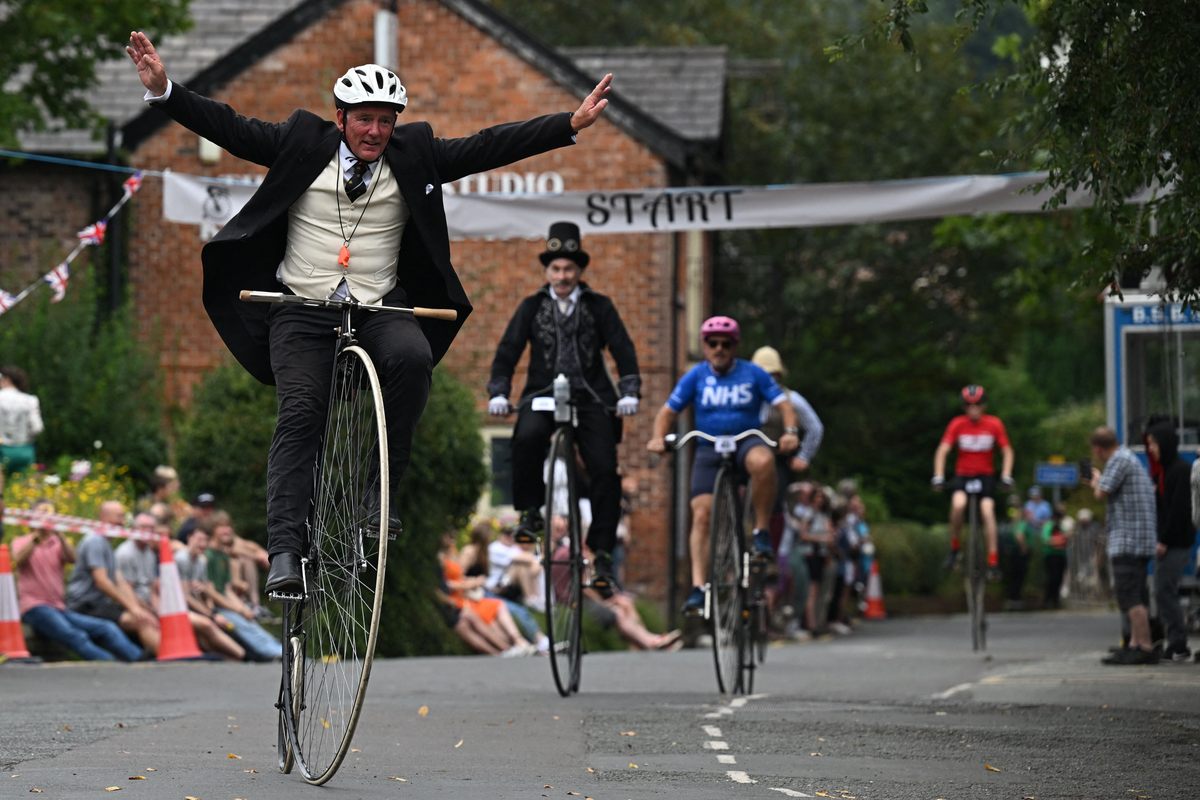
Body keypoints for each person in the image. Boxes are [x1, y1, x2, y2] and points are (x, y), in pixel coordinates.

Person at [125, 32, 613, 595]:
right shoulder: (300, 141)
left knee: (412, 358)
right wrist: (165, 90)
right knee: (302, 413)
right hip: (300, 309)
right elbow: (230, 127)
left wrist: (567, 125)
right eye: (364, 119)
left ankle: (375, 500)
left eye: (386, 120)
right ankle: (285, 551)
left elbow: (488, 145)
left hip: (379, 308)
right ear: (340, 118)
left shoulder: (416, 153)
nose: (375, 131)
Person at [486, 221, 640, 597]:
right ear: (547, 271)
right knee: (526, 437)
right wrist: (499, 390)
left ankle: (602, 552)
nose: (562, 275)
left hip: (591, 396)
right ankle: (530, 513)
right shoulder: (532, 306)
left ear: (579, 271)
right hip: (542, 390)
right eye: (556, 268)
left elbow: (623, 349)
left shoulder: (599, 307)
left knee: (604, 467)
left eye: (569, 268)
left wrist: (629, 390)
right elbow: (508, 351)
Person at [646, 316, 800, 613]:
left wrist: (791, 434)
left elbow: (784, 405)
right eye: (712, 343)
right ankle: (698, 587)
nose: (719, 349)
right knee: (701, 514)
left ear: (735, 346)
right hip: (709, 446)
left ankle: (761, 531)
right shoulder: (695, 377)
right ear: (704, 346)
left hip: (745, 441)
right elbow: (667, 411)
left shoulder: (753, 373)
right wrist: (657, 438)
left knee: (763, 460)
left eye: (725, 344)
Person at [12, 500, 143, 662]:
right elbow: (17, 560)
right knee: (73, 634)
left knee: (106, 628)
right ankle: (108, 662)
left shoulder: (57, 543)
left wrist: (59, 533)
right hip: (34, 606)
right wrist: (36, 537)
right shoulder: (22, 541)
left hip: (58, 607)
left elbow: (73, 558)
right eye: (41, 515)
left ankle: (139, 658)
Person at [1084, 426, 1159, 665]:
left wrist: (1095, 480)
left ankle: (1143, 645)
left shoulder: (1119, 460)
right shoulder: (1128, 458)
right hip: (1137, 539)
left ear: (1098, 448)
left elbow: (1102, 492)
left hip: (1129, 539)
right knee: (1135, 593)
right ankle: (1136, 644)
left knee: (1129, 595)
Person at [931, 384, 1015, 576]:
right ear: (964, 407)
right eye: (969, 405)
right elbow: (943, 450)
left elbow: (1007, 450)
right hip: (963, 475)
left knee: (987, 510)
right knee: (958, 505)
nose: (973, 409)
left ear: (983, 405)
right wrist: (938, 476)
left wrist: (1006, 475)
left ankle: (993, 561)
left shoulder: (994, 424)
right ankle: (954, 548)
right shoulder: (957, 424)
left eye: (977, 404)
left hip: (985, 476)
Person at [65, 500, 160, 656]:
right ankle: (163, 658)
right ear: (103, 517)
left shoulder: (107, 544)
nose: (122, 522)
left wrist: (136, 607)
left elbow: (120, 581)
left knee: (144, 616)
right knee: (141, 621)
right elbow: (102, 582)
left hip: (100, 603)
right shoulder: (95, 541)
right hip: (85, 604)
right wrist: (134, 609)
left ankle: (159, 653)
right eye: (119, 517)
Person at [1144, 421, 1195, 661]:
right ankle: (1174, 639)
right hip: (1171, 542)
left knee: (1165, 590)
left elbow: (1178, 511)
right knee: (1163, 590)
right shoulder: (1164, 472)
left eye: (1154, 443)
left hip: (1176, 543)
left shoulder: (1179, 471)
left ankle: (1178, 642)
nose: (1151, 449)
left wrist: (1163, 540)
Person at [173, 527, 248, 661]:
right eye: (199, 540)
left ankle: (228, 655)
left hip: (197, 606)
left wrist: (211, 609)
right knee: (208, 623)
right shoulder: (181, 559)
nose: (203, 544)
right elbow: (186, 597)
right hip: (178, 607)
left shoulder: (201, 561)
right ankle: (241, 654)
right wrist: (211, 615)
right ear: (189, 538)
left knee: (223, 621)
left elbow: (205, 590)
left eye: (205, 540)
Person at [0, 365, 43, 475]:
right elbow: (37, 428)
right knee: (24, 488)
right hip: (24, 450)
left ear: (7, 379)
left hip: (2, 450)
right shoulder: (30, 400)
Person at [1040, 505, 1071, 610]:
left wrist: (1064, 539)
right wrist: (1060, 540)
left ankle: (1055, 600)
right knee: (1052, 578)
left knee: (1059, 578)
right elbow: (1046, 540)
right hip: (1051, 555)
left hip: (1061, 555)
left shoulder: (1061, 526)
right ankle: (1047, 600)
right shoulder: (1048, 525)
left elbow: (1066, 540)